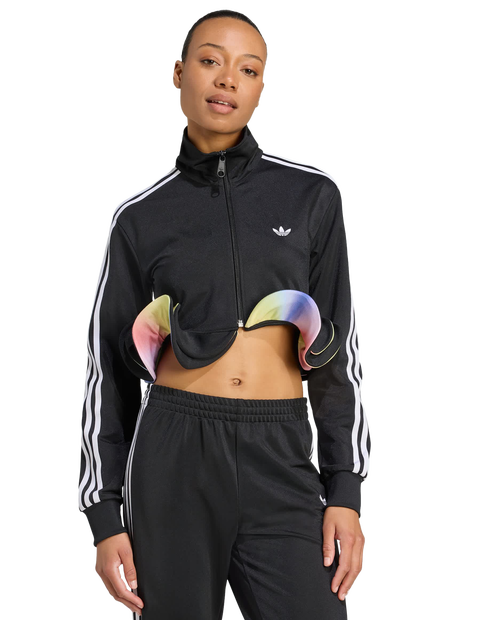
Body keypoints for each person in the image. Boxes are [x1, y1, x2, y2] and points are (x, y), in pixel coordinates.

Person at [76, 8, 372, 619]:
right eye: (210, 60)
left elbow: (337, 354)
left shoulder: (312, 197)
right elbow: (108, 374)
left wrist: (345, 490)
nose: (228, 79)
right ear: (178, 72)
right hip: (175, 455)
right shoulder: (141, 219)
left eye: (249, 69)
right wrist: (104, 516)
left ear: (263, 85)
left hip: (280, 453)